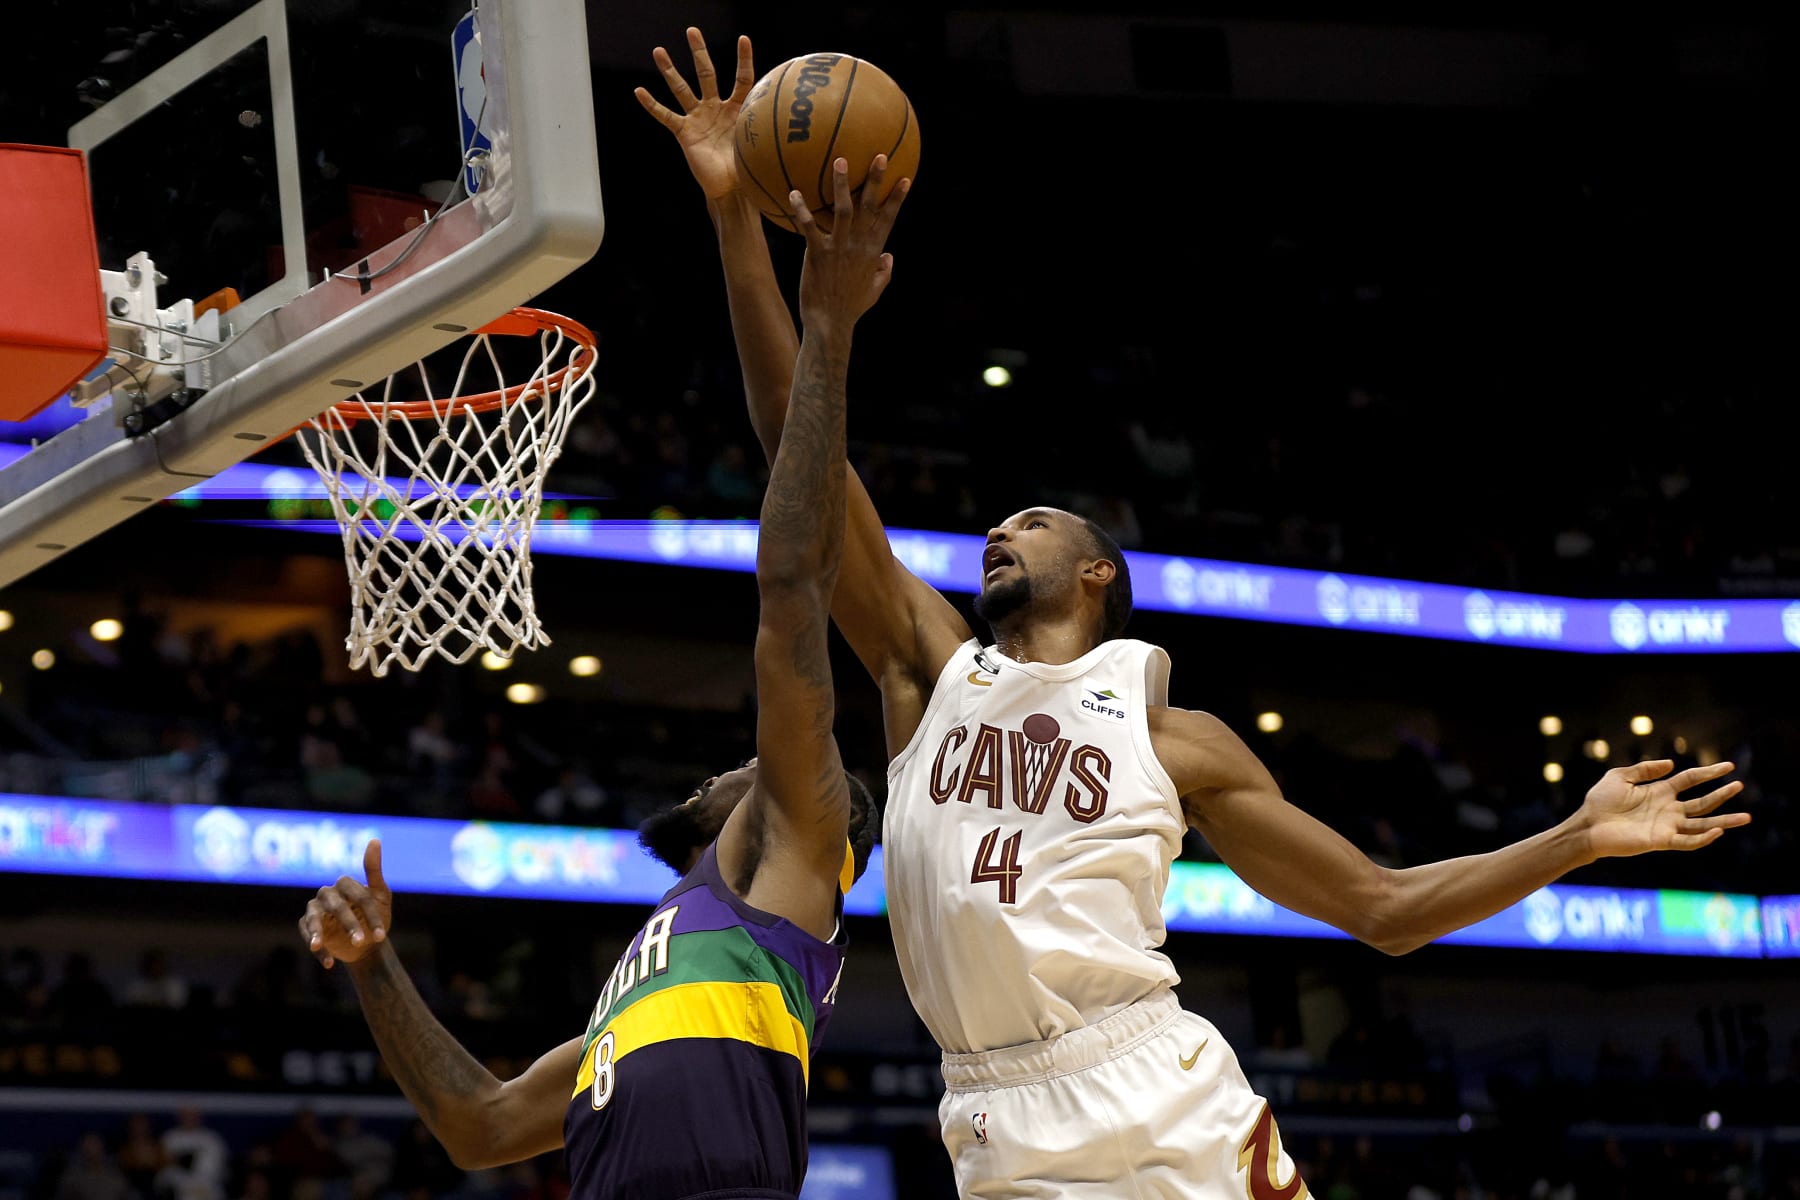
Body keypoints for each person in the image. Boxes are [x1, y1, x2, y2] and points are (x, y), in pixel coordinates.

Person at [645, 27, 1753, 1198]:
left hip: (1158, 1087)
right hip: (995, 1110)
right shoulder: (930, 671)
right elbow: (799, 454)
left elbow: (1383, 909)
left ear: (1098, 575)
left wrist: (1577, 837)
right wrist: (735, 220)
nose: (1000, 532)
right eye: (999, 525)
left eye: (1034, 522)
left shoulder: (1177, 741)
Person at [297, 153, 907, 1200]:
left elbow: (793, 587)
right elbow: (482, 1127)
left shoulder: (801, 842)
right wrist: (372, 964)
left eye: (759, 764)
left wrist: (828, 330)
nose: (737, 764)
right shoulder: (651, 976)